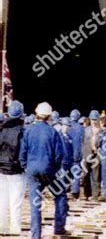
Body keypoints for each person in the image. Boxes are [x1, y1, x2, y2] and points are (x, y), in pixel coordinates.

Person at [19, 102, 69, 239]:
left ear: (37, 114)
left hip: (32, 169)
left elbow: (23, 151)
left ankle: (36, 235)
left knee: (35, 202)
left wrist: (25, 166)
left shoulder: (28, 131)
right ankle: (59, 228)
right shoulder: (53, 132)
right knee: (60, 195)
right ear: (49, 116)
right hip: (49, 169)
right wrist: (54, 168)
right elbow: (59, 155)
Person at [0, 100, 26, 236]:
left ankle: (1, 226)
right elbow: (23, 151)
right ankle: (15, 227)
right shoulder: (23, 131)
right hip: (16, 170)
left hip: (1, 169)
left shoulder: (1, 128)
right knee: (16, 201)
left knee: (2, 199)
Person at [82, 110, 101, 201]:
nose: (94, 121)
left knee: (96, 176)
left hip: (96, 156)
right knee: (85, 175)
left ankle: (95, 195)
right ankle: (87, 193)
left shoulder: (101, 131)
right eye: (92, 119)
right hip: (86, 155)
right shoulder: (85, 130)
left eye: (95, 119)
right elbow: (82, 143)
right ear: (90, 119)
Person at [68, 109, 84, 199]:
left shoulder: (68, 127)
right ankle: (75, 190)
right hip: (78, 153)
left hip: (67, 154)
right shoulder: (82, 128)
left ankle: (65, 188)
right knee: (76, 172)